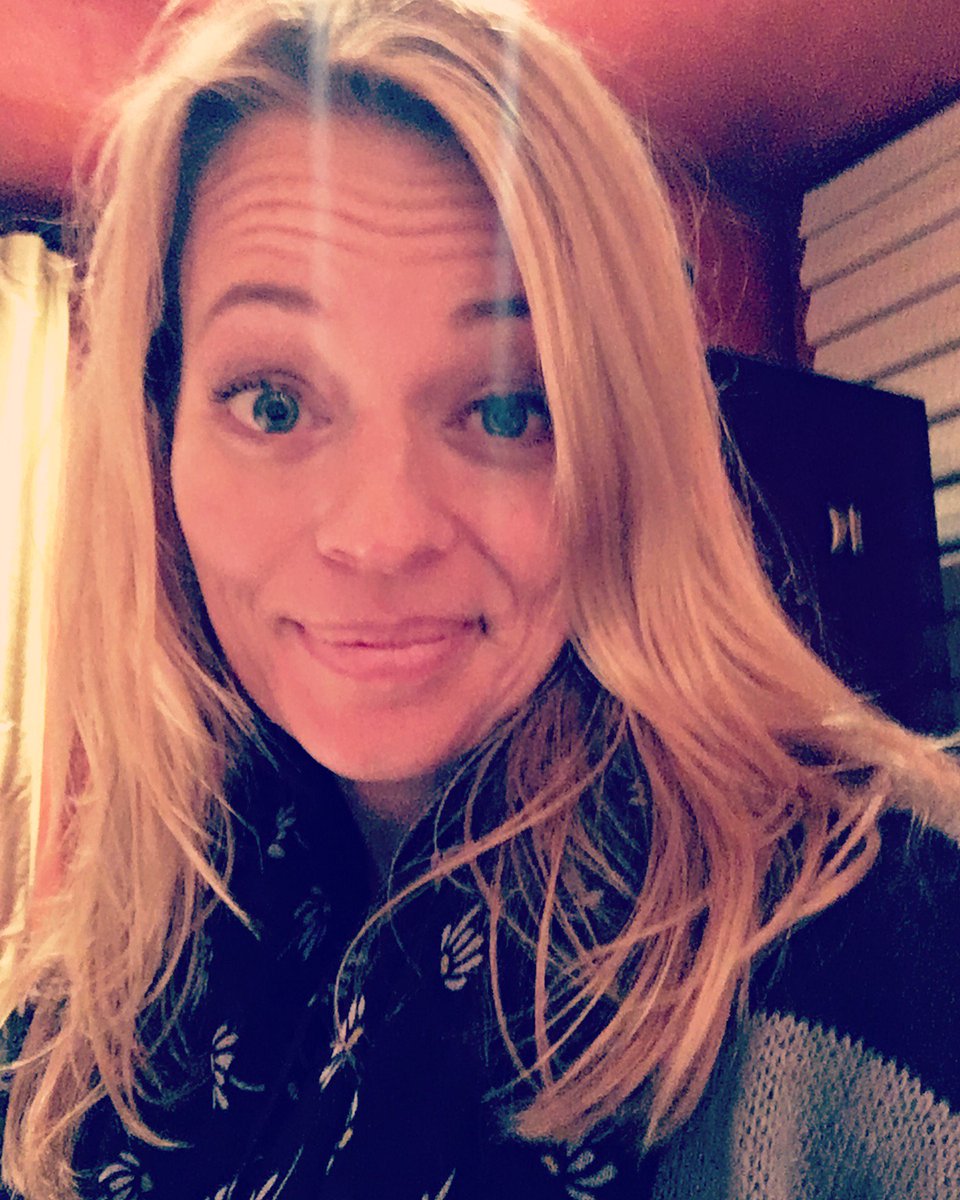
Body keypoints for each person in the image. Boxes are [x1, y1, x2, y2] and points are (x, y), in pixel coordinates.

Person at [2, 0, 959, 1196]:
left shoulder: (888, 953)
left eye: (506, 408)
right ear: (159, 444)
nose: (380, 533)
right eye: (274, 404)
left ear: (624, 450)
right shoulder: (68, 1040)